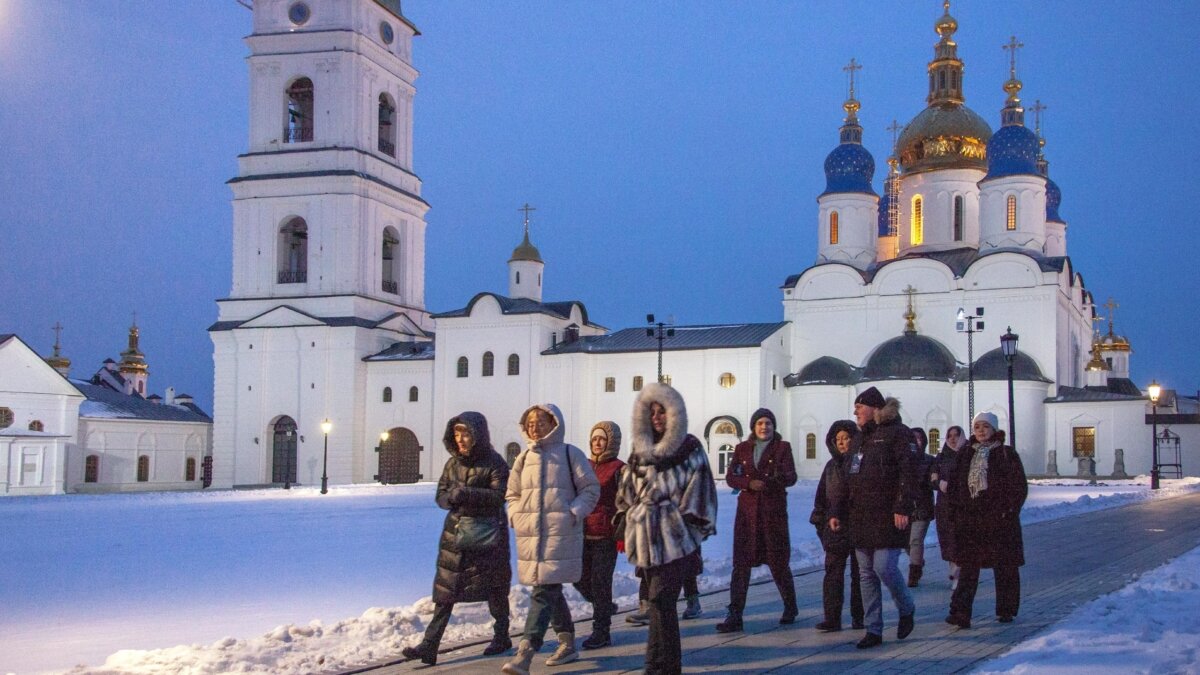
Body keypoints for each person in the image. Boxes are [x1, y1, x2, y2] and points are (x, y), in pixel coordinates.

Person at [616, 383, 718, 674]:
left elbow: (701, 492)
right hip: (646, 539)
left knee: (662, 600)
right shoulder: (640, 450)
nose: (658, 417)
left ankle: (665, 666)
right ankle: (656, 665)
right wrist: (627, 517)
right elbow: (625, 490)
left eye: (663, 412)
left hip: (676, 539)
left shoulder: (689, 447)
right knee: (657, 603)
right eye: (653, 412)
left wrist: (683, 528)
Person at [402, 412, 513, 666]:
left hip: (487, 536)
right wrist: (452, 498)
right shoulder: (452, 464)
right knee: (446, 592)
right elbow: (441, 495)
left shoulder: (495, 463)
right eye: (457, 433)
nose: (461, 439)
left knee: (494, 588)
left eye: (466, 433)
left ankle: (502, 634)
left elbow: (499, 496)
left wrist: (465, 494)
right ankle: (430, 645)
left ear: (478, 435)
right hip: (455, 537)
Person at [502, 405, 600, 675]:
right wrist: (516, 514)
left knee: (543, 591)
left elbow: (590, 488)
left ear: (554, 423)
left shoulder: (570, 453)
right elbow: (512, 493)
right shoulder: (523, 458)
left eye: (541, 421)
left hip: (561, 534)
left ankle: (525, 653)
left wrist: (573, 512)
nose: (535, 426)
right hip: (530, 536)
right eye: (530, 422)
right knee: (549, 588)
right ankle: (567, 642)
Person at [839, 386, 917, 649]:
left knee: (883, 567)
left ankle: (906, 607)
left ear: (874, 407)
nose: (855, 412)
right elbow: (848, 476)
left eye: (859, 407)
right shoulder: (859, 438)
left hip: (887, 515)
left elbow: (909, 472)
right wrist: (838, 511)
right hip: (861, 515)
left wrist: (903, 507)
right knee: (865, 574)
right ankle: (873, 629)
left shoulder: (897, 433)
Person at [716, 408, 798, 632]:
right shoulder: (743, 448)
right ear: (753, 426)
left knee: (778, 562)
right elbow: (732, 476)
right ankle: (735, 614)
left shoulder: (783, 448)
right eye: (760, 423)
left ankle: (790, 606)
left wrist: (771, 481)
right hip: (747, 516)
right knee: (741, 565)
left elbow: (791, 476)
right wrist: (748, 484)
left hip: (772, 515)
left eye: (768, 423)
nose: (764, 427)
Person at [945, 412, 1027, 629]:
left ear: (994, 429)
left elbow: (1018, 485)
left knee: (1005, 567)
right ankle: (961, 612)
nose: (981, 431)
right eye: (977, 427)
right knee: (968, 568)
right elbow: (955, 484)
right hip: (971, 520)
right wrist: (955, 511)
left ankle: (1006, 609)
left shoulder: (1005, 454)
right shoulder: (965, 454)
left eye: (985, 427)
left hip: (999, 520)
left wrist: (1009, 510)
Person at [573, 421, 626, 650]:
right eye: (594, 438)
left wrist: (623, 534)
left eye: (602, 439)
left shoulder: (619, 469)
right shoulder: (582, 465)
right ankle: (603, 606)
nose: (597, 443)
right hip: (582, 534)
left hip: (606, 535)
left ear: (611, 442)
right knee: (578, 578)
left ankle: (601, 631)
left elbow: (626, 503)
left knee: (601, 583)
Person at [810, 419, 864, 632]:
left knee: (859, 574)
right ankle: (832, 617)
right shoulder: (831, 466)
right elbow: (821, 497)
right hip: (835, 527)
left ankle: (859, 616)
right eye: (838, 439)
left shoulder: (860, 461)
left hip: (857, 524)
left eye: (846, 438)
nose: (842, 443)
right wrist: (821, 522)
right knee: (833, 573)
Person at [931, 425, 965, 589]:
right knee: (947, 537)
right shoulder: (942, 456)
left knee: (959, 537)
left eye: (956, 435)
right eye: (949, 435)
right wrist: (939, 484)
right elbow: (933, 477)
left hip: (961, 504)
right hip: (944, 504)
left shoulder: (967, 456)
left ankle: (959, 572)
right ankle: (953, 569)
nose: (952, 439)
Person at [906, 427, 937, 588]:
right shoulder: (903, 459)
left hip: (922, 506)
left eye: (919, 438)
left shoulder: (929, 460)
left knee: (916, 540)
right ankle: (917, 560)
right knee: (906, 541)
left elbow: (933, 481)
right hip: (905, 507)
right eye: (913, 438)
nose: (916, 441)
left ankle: (914, 573)